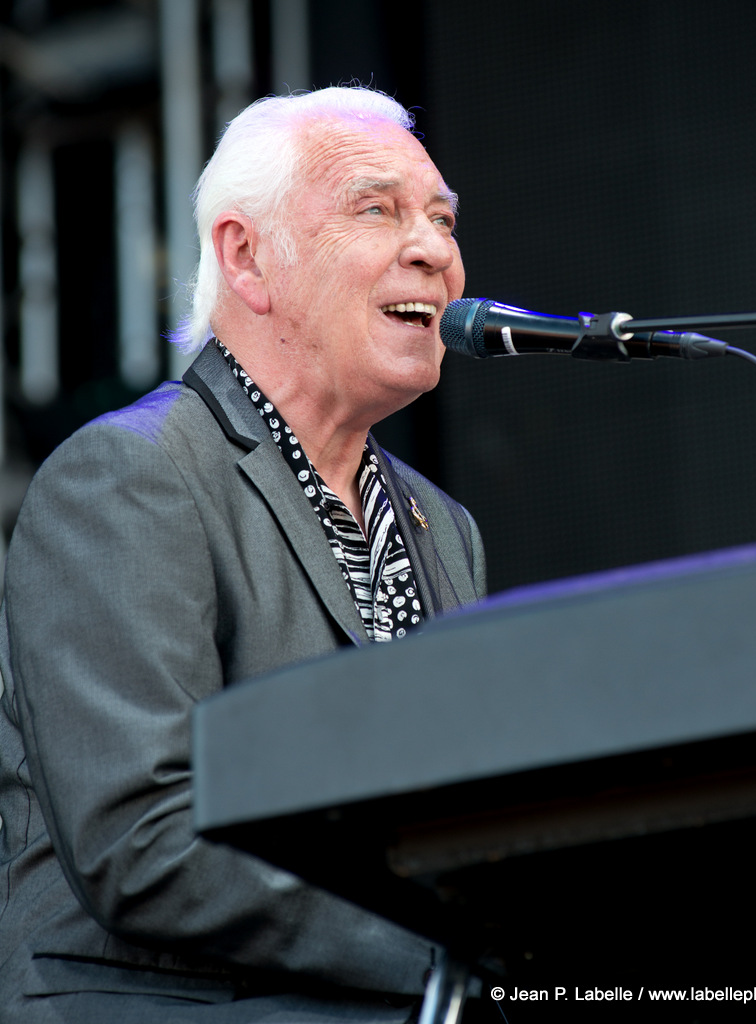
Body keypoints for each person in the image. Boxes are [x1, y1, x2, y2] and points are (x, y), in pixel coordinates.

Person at [0, 86, 487, 1023]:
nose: (433, 249)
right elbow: (143, 843)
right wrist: (454, 952)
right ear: (247, 257)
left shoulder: (441, 526)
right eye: (376, 209)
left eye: (442, 219)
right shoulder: (128, 475)